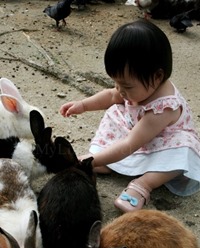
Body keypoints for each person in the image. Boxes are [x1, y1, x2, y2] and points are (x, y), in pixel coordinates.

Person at [60, 19, 200, 212]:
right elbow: (110, 96)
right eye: (116, 83)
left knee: (185, 151)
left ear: (157, 77)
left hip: (162, 143)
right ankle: (109, 161)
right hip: (136, 134)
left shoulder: (165, 107)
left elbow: (129, 145)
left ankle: (143, 185)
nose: (120, 90)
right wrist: (83, 105)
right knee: (115, 111)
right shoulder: (137, 87)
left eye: (126, 86)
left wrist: (90, 161)